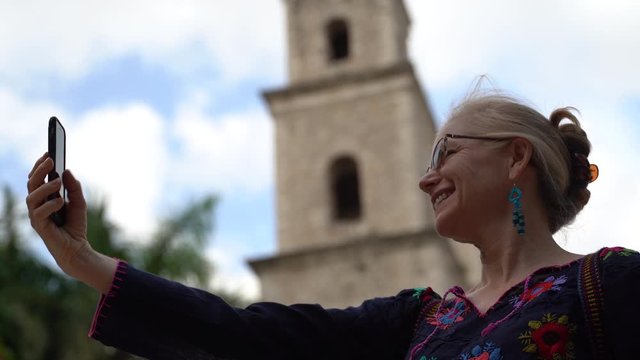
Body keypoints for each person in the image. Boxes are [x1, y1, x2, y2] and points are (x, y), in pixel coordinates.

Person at [26, 92, 640, 360]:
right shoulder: (415, 320)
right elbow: (245, 334)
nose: (425, 181)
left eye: (445, 155)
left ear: (515, 157)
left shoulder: (611, 286)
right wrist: (84, 261)